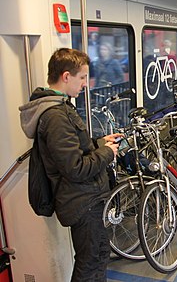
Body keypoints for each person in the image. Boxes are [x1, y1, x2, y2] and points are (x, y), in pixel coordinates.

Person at [19, 48, 121, 281]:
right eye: (82, 77)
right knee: (91, 260)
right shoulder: (55, 116)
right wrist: (107, 154)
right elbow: (74, 168)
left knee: (98, 254)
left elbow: (74, 150)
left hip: (84, 198)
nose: (85, 83)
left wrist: (98, 143)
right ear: (66, 76)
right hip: (81, 200)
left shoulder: (61, 107)